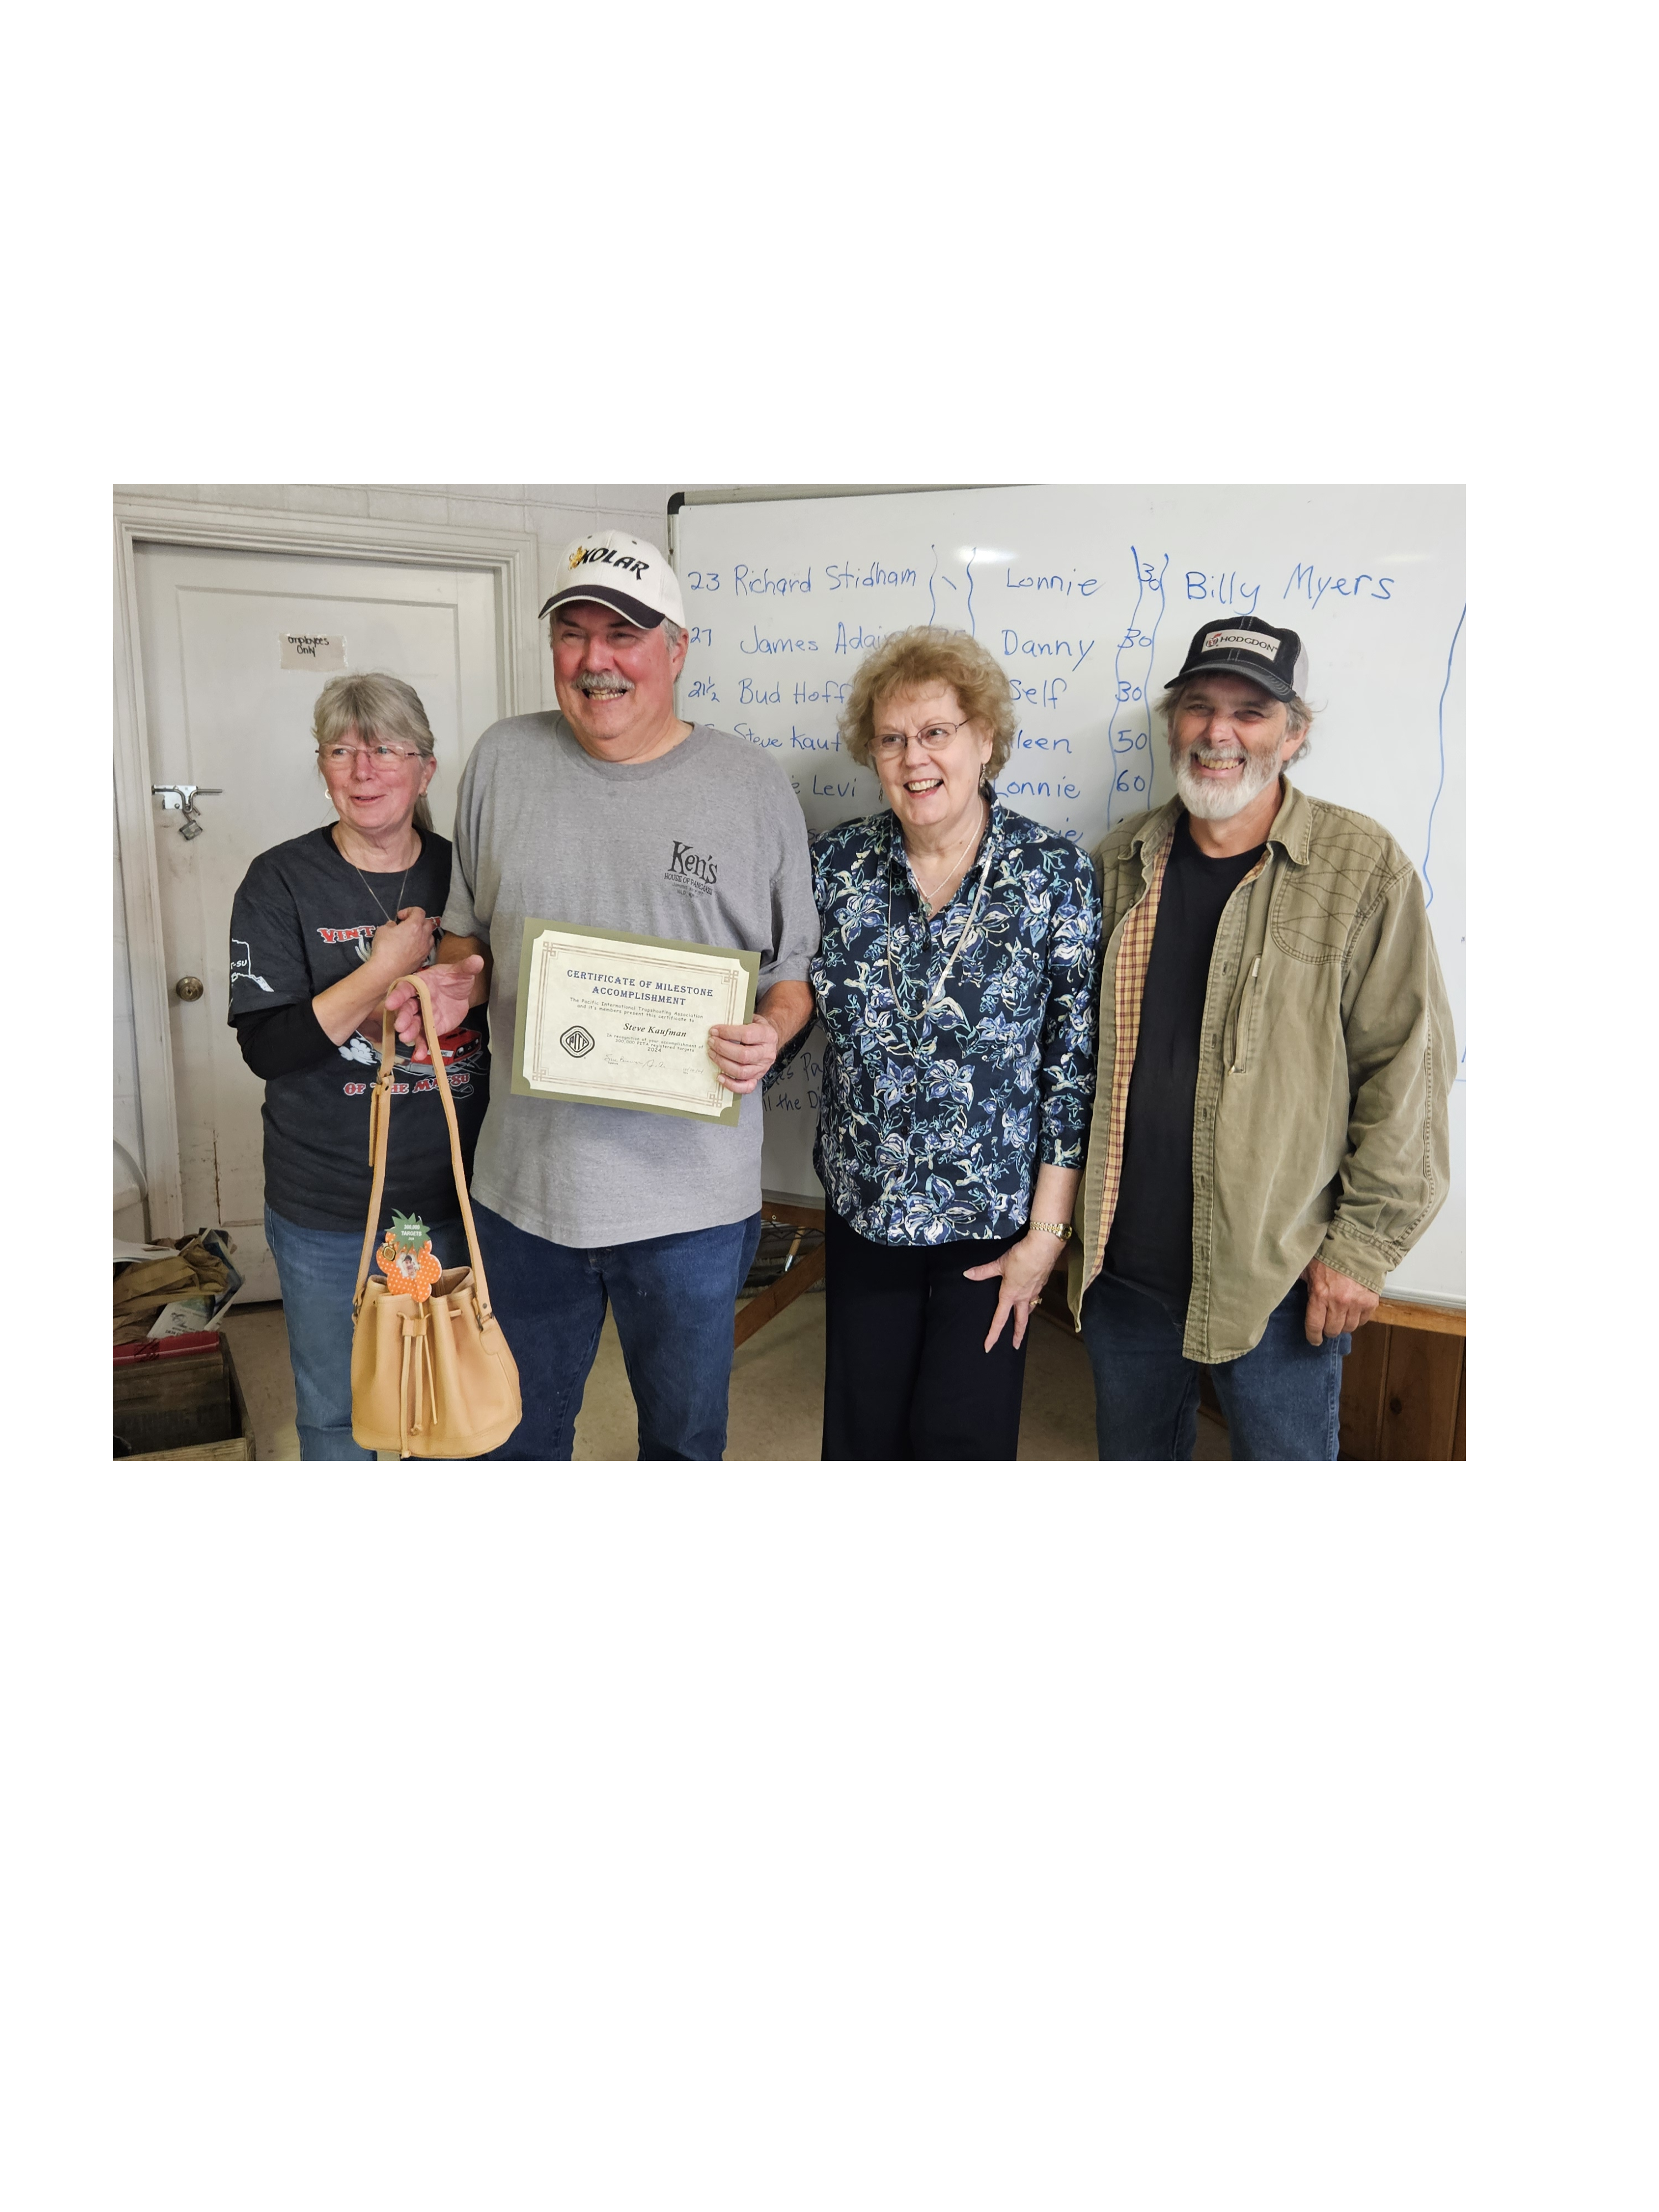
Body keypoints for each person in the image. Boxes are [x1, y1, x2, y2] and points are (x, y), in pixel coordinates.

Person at [384, 531, 817, 1461]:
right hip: (524, 1191)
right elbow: (471, 931)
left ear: (677, 649)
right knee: (514, 1443)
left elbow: (792, 975)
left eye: (623, 634)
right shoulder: (502, 760)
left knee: (684, 1443)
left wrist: (770, 1035)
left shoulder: (751, 786)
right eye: (573, 635)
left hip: (693, 1209)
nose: (595, 661)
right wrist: (458, 978)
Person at [1070, 615, 1454, 1460]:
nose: (1219, 733)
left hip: (1279, 1280)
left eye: (1251, 712)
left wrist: (1362, 1249)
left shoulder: (1361, 868)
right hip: (1122, 1277)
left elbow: (1411, 1068)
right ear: (1173, 721)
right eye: (1200, 706)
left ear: (1296, 732)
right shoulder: (1117, 863)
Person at [777, 627, 1102, 1460]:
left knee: (964, 1444)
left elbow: (1072, 1070)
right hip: (865, 1211)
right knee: (862, 1442)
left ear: (985, 740)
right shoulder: (835, 868)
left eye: (936, 733)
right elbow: (791, 1003)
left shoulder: (1053, 875)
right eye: (891, 739)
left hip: (991, 1228)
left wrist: (1047, 1239)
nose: (913, 758)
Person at [228, 672, 489, 1459]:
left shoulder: (467, 871)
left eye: (385, 751)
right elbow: (267, 1048)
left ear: (426, 770)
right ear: (323, 767)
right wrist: (383, 971)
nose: (363, 770)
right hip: (330, 1207)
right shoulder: (280, 881)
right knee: (340, 1409)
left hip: (461, 1195)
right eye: (341, 751)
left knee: (452, 1395)